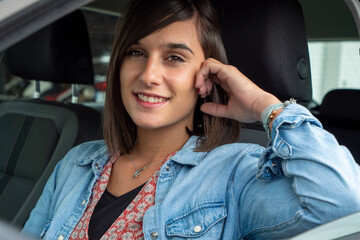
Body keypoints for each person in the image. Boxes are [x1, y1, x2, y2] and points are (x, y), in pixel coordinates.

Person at [22, 0, 360, 239]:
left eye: (174, 57)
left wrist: (267, 107)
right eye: (136, 53)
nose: (149, 75)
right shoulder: (76, 164)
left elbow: (343, 207)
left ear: (207, 75)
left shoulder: (237, 174)